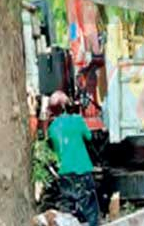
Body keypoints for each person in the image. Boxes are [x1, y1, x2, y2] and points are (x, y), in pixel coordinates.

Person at [47, 91, 99, 226]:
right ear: (66, 105)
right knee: (90, 211)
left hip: (64, 174)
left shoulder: (52, 128)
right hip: (83, 170)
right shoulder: (77, 120)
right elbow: (89, 137)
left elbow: (53, 149)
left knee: (68, 213)